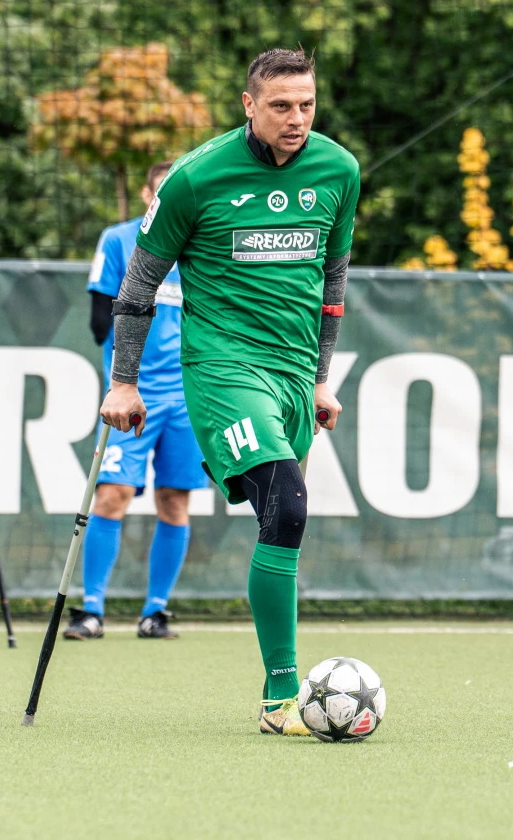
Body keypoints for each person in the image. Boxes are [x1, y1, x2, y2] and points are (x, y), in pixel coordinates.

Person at [100, 47, 360, 735]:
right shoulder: (196, 177)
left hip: (292, 374)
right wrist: (124, 382)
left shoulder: (339, 170)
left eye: (306, 105)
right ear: (249, 104)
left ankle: (280, 693)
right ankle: (281, 696)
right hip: (223, 370)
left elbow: (332, 282)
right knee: (290, 505)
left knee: (277, 519)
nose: (296, 118)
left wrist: (320, 377)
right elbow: (137, 286)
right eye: (281, 106)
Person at [63, 160, 207, 641]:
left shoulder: (205, 243)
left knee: (175, 500)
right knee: (110, 495)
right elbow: (99, 320)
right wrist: (126, 372)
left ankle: (155, 612)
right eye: (162, 192)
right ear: (148, 196)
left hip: (188, 395)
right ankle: (92, 610)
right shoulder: (119, 240)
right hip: (132, 391)